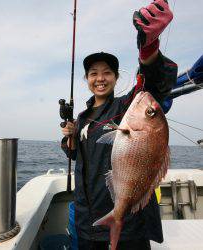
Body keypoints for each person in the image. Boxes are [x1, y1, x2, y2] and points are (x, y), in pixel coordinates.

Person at [61, 1, 178, 249]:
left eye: (107, 73)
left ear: (116, 78)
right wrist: (69, 139)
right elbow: (79, 154)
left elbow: (154, 84)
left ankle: (119, 216)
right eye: (93, 73)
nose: (100, 78)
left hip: (129, 224)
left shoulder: (126, 107)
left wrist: (149, 49)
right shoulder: (82, 117)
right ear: (87, 79)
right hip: (87, 221)